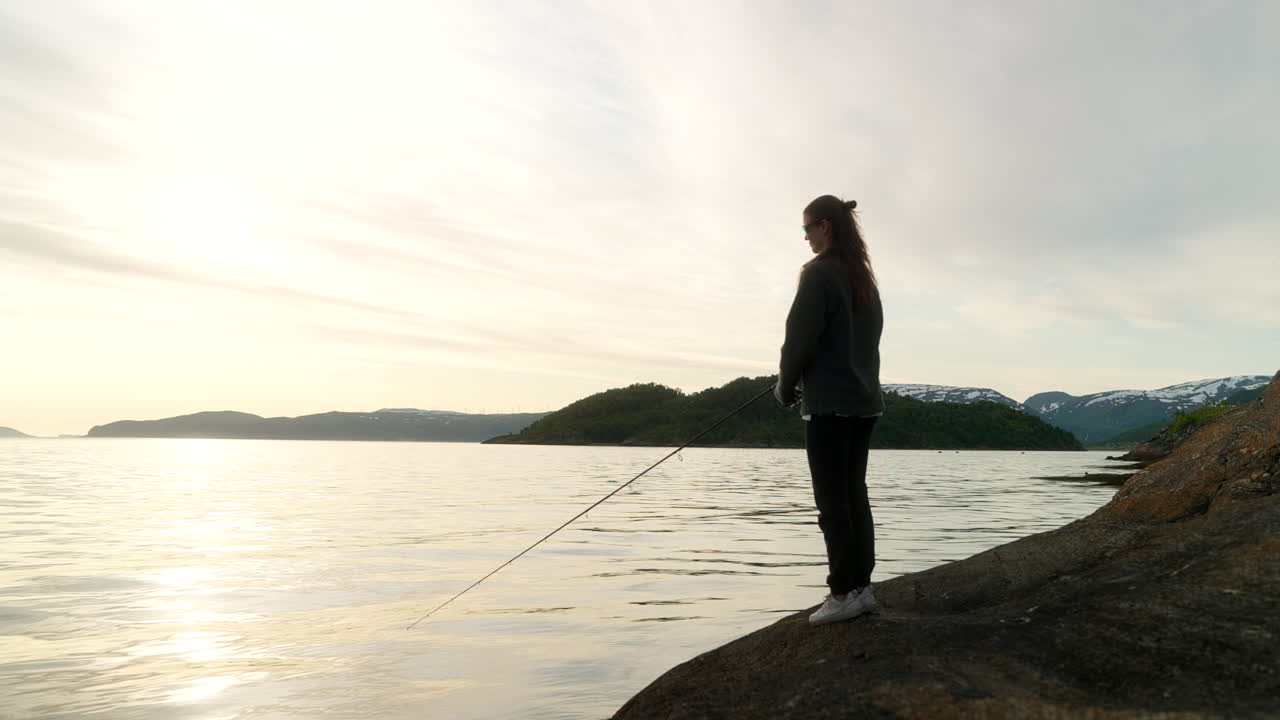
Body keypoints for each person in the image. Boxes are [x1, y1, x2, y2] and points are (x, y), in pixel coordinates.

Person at [775, 194, 884, 626]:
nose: (805, 238)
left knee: (832, 503)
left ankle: (841, 592)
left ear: (825, 226)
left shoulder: (819, 274)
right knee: (854, 495)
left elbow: (797, 339)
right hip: (864, 405)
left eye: (807, 229)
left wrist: (785, 387)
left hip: (829, 408)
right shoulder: (864, 278)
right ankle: (862, 587)